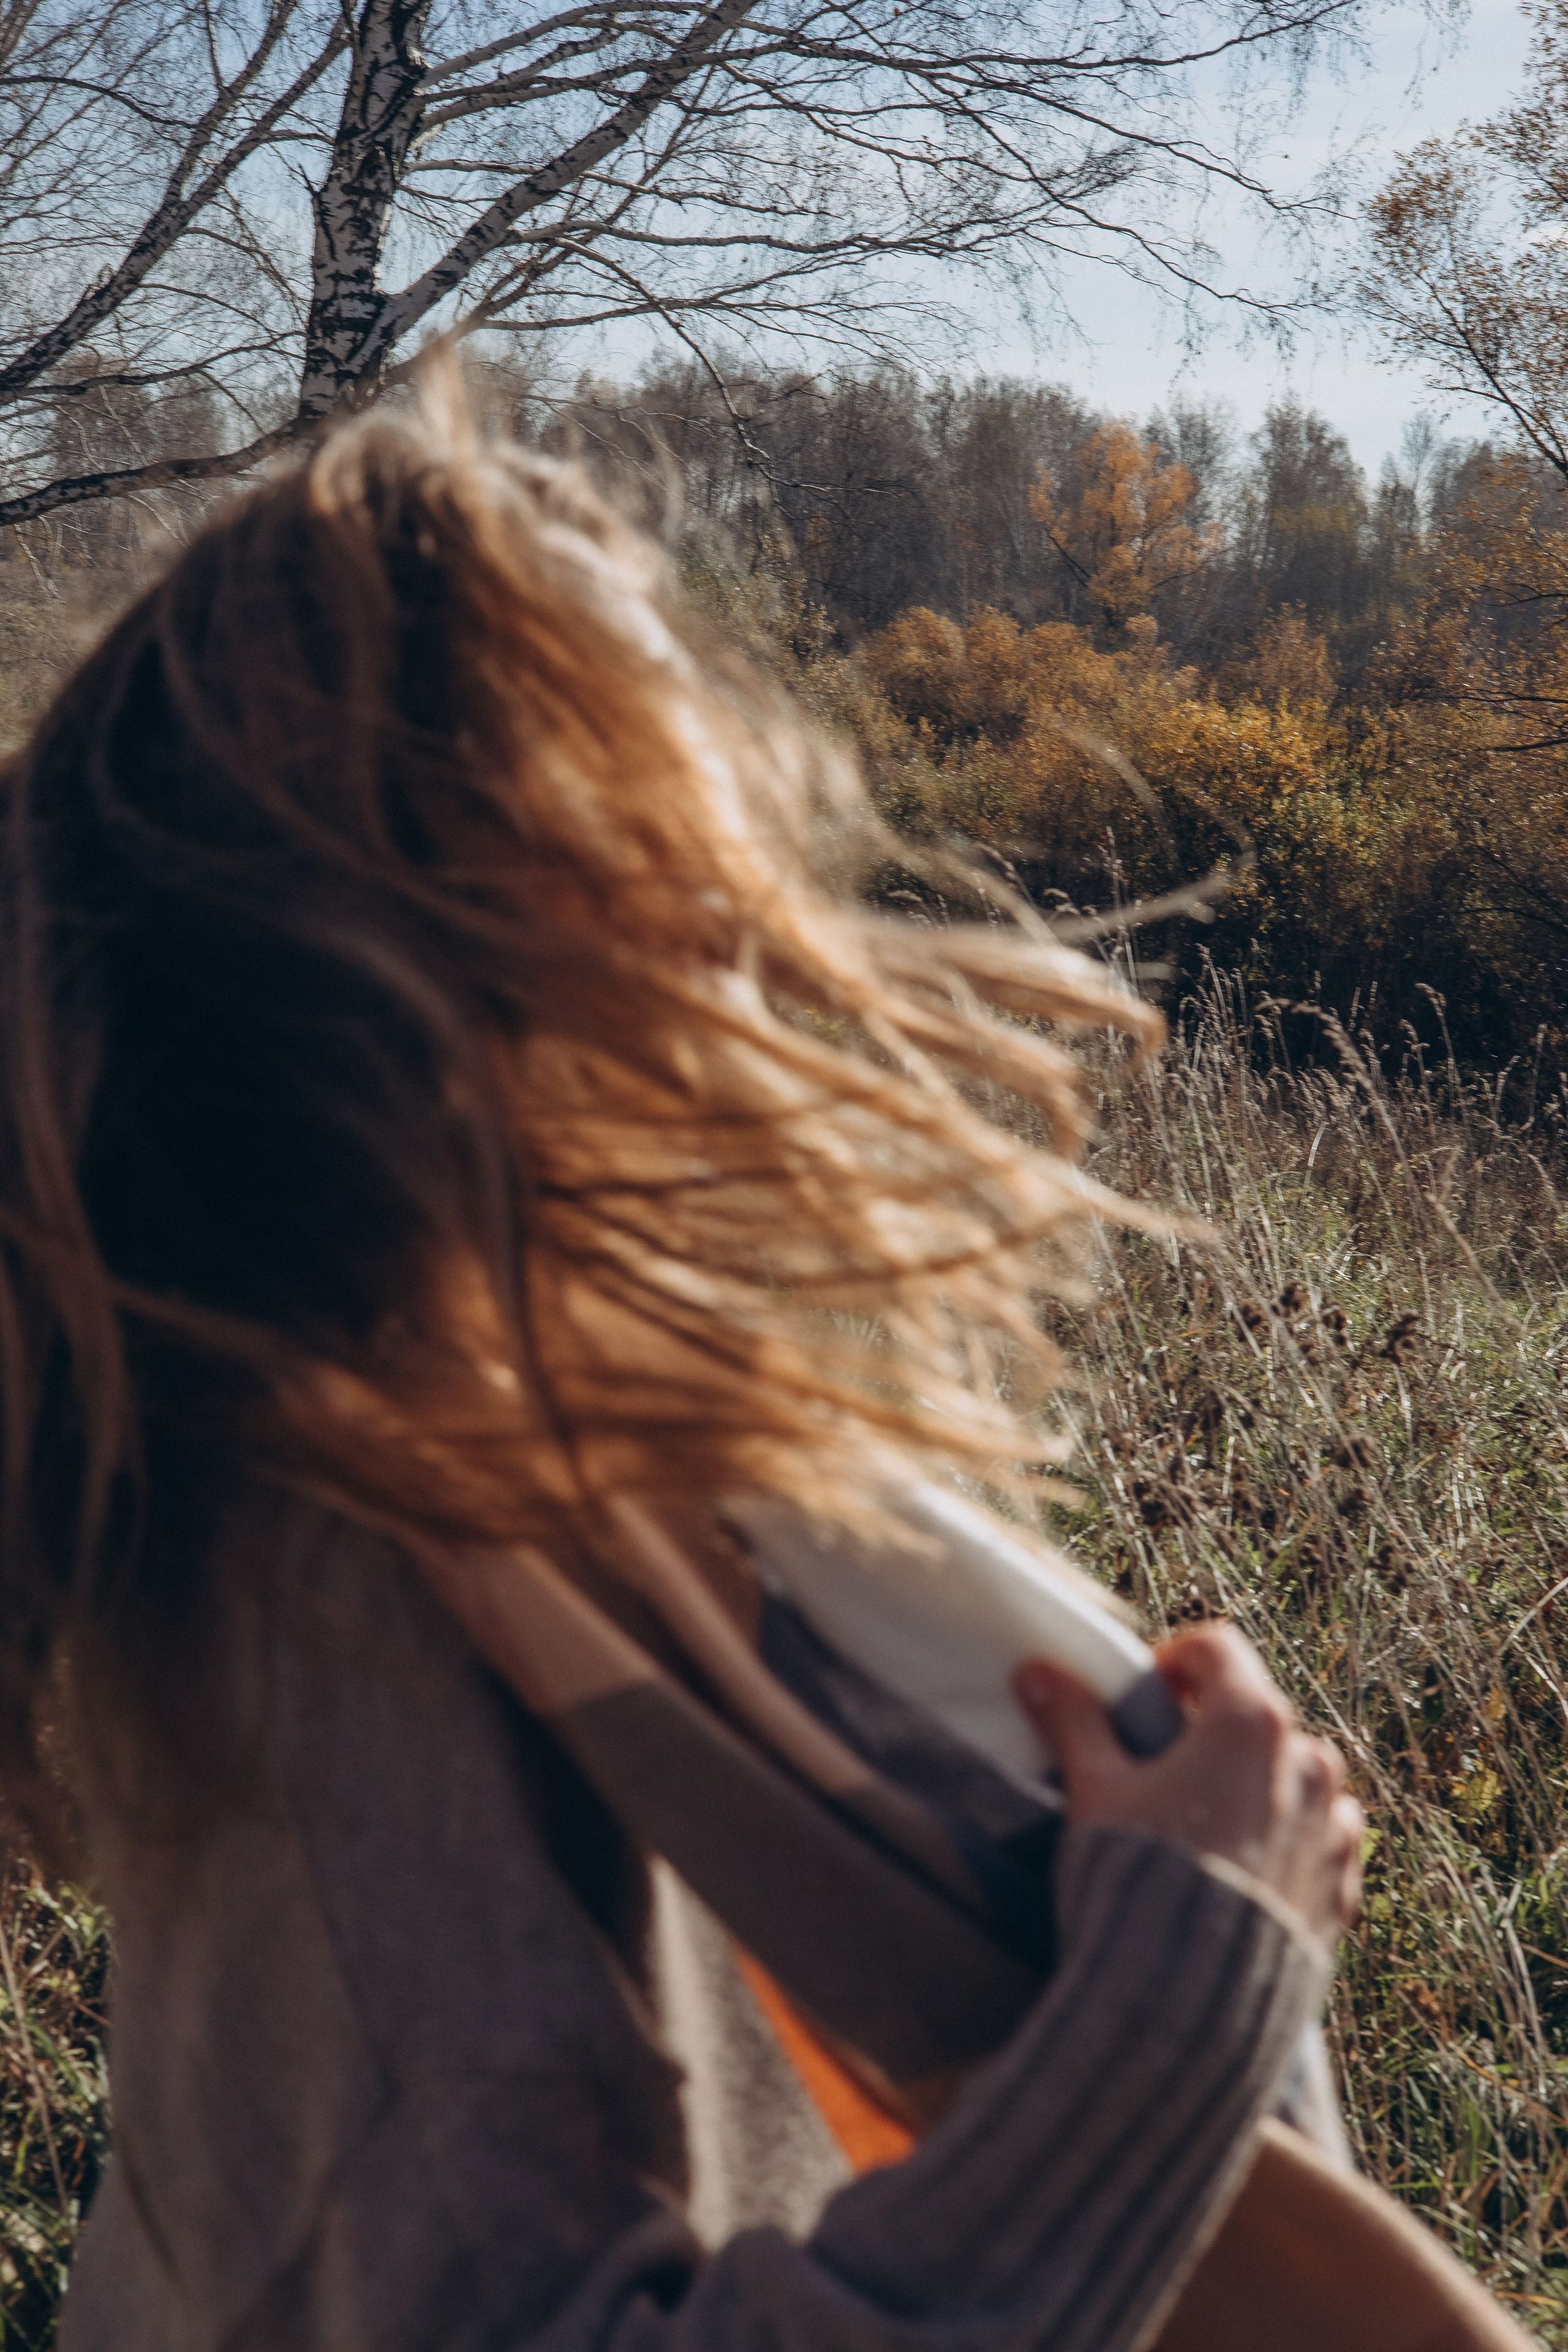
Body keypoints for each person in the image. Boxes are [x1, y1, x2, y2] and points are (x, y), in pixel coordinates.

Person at [0, 366, 1361, 2352]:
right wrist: (1185, 1999)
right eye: (644, 811)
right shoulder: (336, 1623)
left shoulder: (517, 1490)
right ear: (413, 961)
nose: (744, 908)